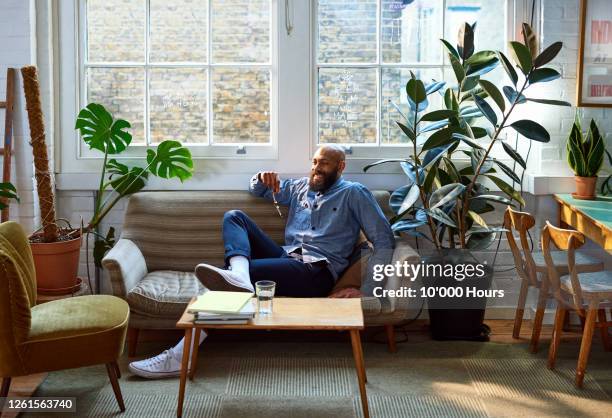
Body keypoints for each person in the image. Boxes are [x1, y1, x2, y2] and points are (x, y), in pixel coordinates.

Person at [128, 145, 395, 378]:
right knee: (235, 216)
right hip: (287, 256)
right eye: (314, 162)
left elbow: (383, 239)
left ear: (341, 166)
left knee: (224, 281)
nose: (317, 168)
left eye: (324, 163)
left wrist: (369, 291)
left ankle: (180, 356)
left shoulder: (354, 193)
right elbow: (256, 189)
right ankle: (240, 276)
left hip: (316, 270)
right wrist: (261, 176)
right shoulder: (300, 187)